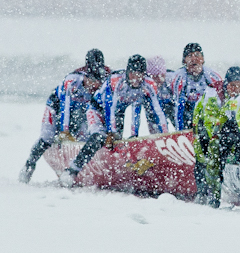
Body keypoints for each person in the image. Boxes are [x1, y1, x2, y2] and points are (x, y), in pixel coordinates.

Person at [58, 55, 169, 187]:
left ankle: (119, 173)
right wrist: (111, 132)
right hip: (97, 110)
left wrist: (165, 135)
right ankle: (72, 170)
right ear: (128, 72)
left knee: (116, 143)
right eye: (133, 74)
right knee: (99, 137)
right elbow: (111, 107)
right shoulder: (116, 81)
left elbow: (157, 111)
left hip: (117, 114)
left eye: (140, 75)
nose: (135, 79)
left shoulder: (149, 84)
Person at [19, 53, 108, 183]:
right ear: (86, 76)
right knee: (47, 137)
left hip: (80, 110)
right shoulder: (72, 81)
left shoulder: (104, 78)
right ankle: (29, 165)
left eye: (97, 82)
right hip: (56, 107)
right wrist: (64, 130)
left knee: (85, 139)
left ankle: (78, 167)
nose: (94, 86)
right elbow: (65, 107)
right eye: (92, 81)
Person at [204, 67, 240, 207]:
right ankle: (212, 194)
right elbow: (210, 122)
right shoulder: (213, 93)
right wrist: (216, 141)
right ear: (225, 85)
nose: (236, 89)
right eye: (232, 85)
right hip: (208, 124)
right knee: (214, 151)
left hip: (232, 125)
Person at [170, 43, 224, 130]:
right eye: (189, 56)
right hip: (187, 112)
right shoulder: (179, 77)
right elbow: (177, 107)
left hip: (207, 111)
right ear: (184, 61)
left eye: (197, 55)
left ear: (202, 59)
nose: (194, 59)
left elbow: (223, 101)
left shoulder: (212, 76)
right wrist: (179, 132)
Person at [132, 56, 176, 135]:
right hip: (153, 110)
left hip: (171, 106)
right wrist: (134, 134)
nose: (159, 79)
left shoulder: (172, 78)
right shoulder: (145, 84)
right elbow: (136, 109)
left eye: (162, 76)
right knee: (151, 110)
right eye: (155, 76)